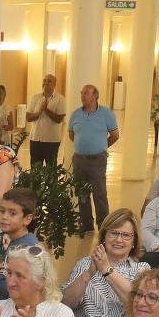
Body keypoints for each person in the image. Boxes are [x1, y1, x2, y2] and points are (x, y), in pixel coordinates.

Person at [62, 209, 144, 317]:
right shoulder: (84, 264)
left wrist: (106, 270)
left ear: (134, 241)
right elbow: (66, 304)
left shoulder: (141, 270)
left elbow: (137, 305)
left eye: (126, 235)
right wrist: (88, 274)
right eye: (114, 233)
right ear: (104, 236)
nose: (118, 240)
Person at [67, 84, 120, 226]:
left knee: (100, 193)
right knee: (82, 193)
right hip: (79, 159)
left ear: (95, 96)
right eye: (82, 93)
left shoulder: (106, 114)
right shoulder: (76, 114)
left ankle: (103, 223)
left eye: (86, 93)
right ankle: (86, 224)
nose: (83, 96)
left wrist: (102, 146)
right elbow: (71, 134)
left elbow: (115, 135)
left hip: (98, 159)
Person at [0, 187, 39, 299]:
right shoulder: (15, 242)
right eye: (2, 211)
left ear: (27, 219)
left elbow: (20, 290)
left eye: (12, 213)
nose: (4, 217)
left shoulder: (27, 249)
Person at [26, 73, 66, 167]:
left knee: (51, 171)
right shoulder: (35, 98)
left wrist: (46, 110)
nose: (46, 83)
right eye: (44, 80)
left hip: (52, 141)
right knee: (35, 170)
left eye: (49, 81)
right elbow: (28, 117)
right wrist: (39, 113)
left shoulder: (60, 99)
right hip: (35, 139)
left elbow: (59, 119)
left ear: (54, 84)